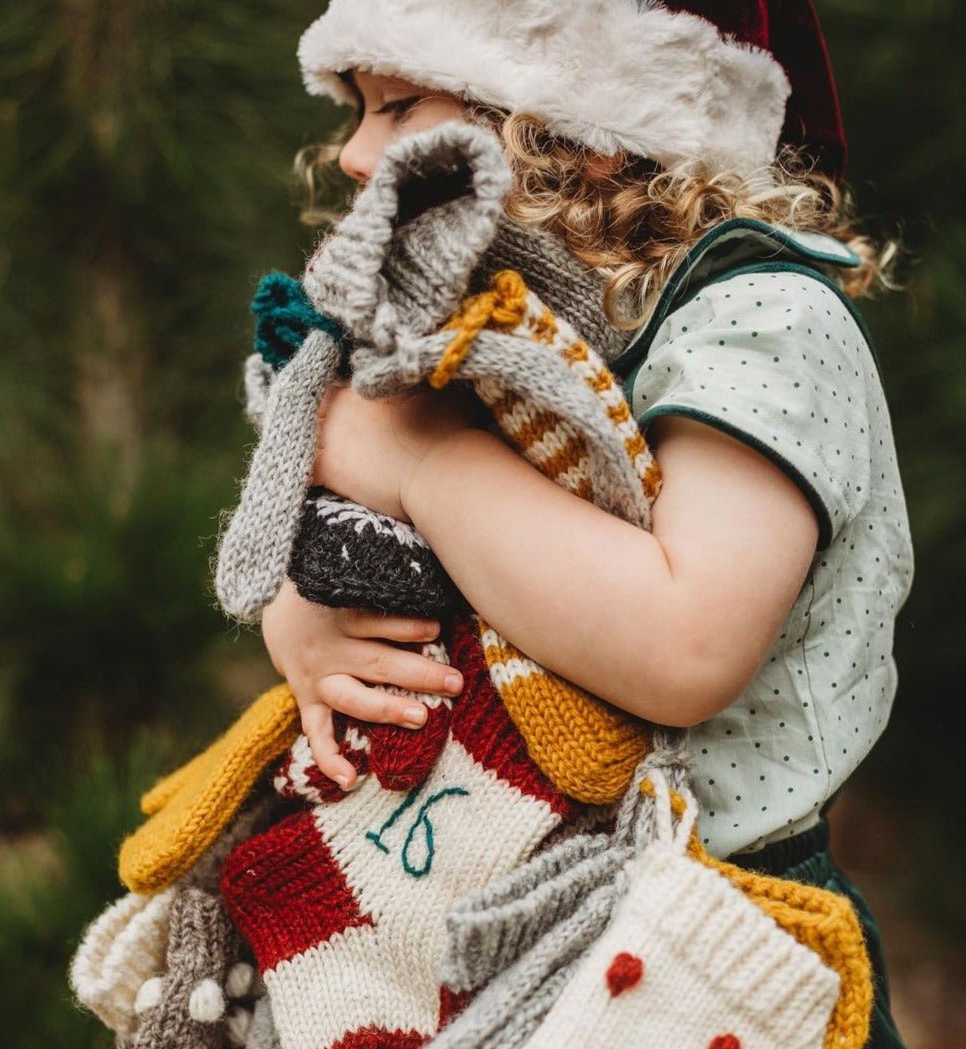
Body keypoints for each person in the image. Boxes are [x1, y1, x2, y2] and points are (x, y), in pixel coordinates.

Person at [257, 2, 912, 1047]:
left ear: (584, 135)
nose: (353, 155)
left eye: (397, 107)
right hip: (468, 904)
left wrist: (421, 460)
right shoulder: (502, 335)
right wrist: (303, 622)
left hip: (704, 942)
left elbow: (682, 640)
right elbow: (429, 563)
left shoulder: (758, 322)